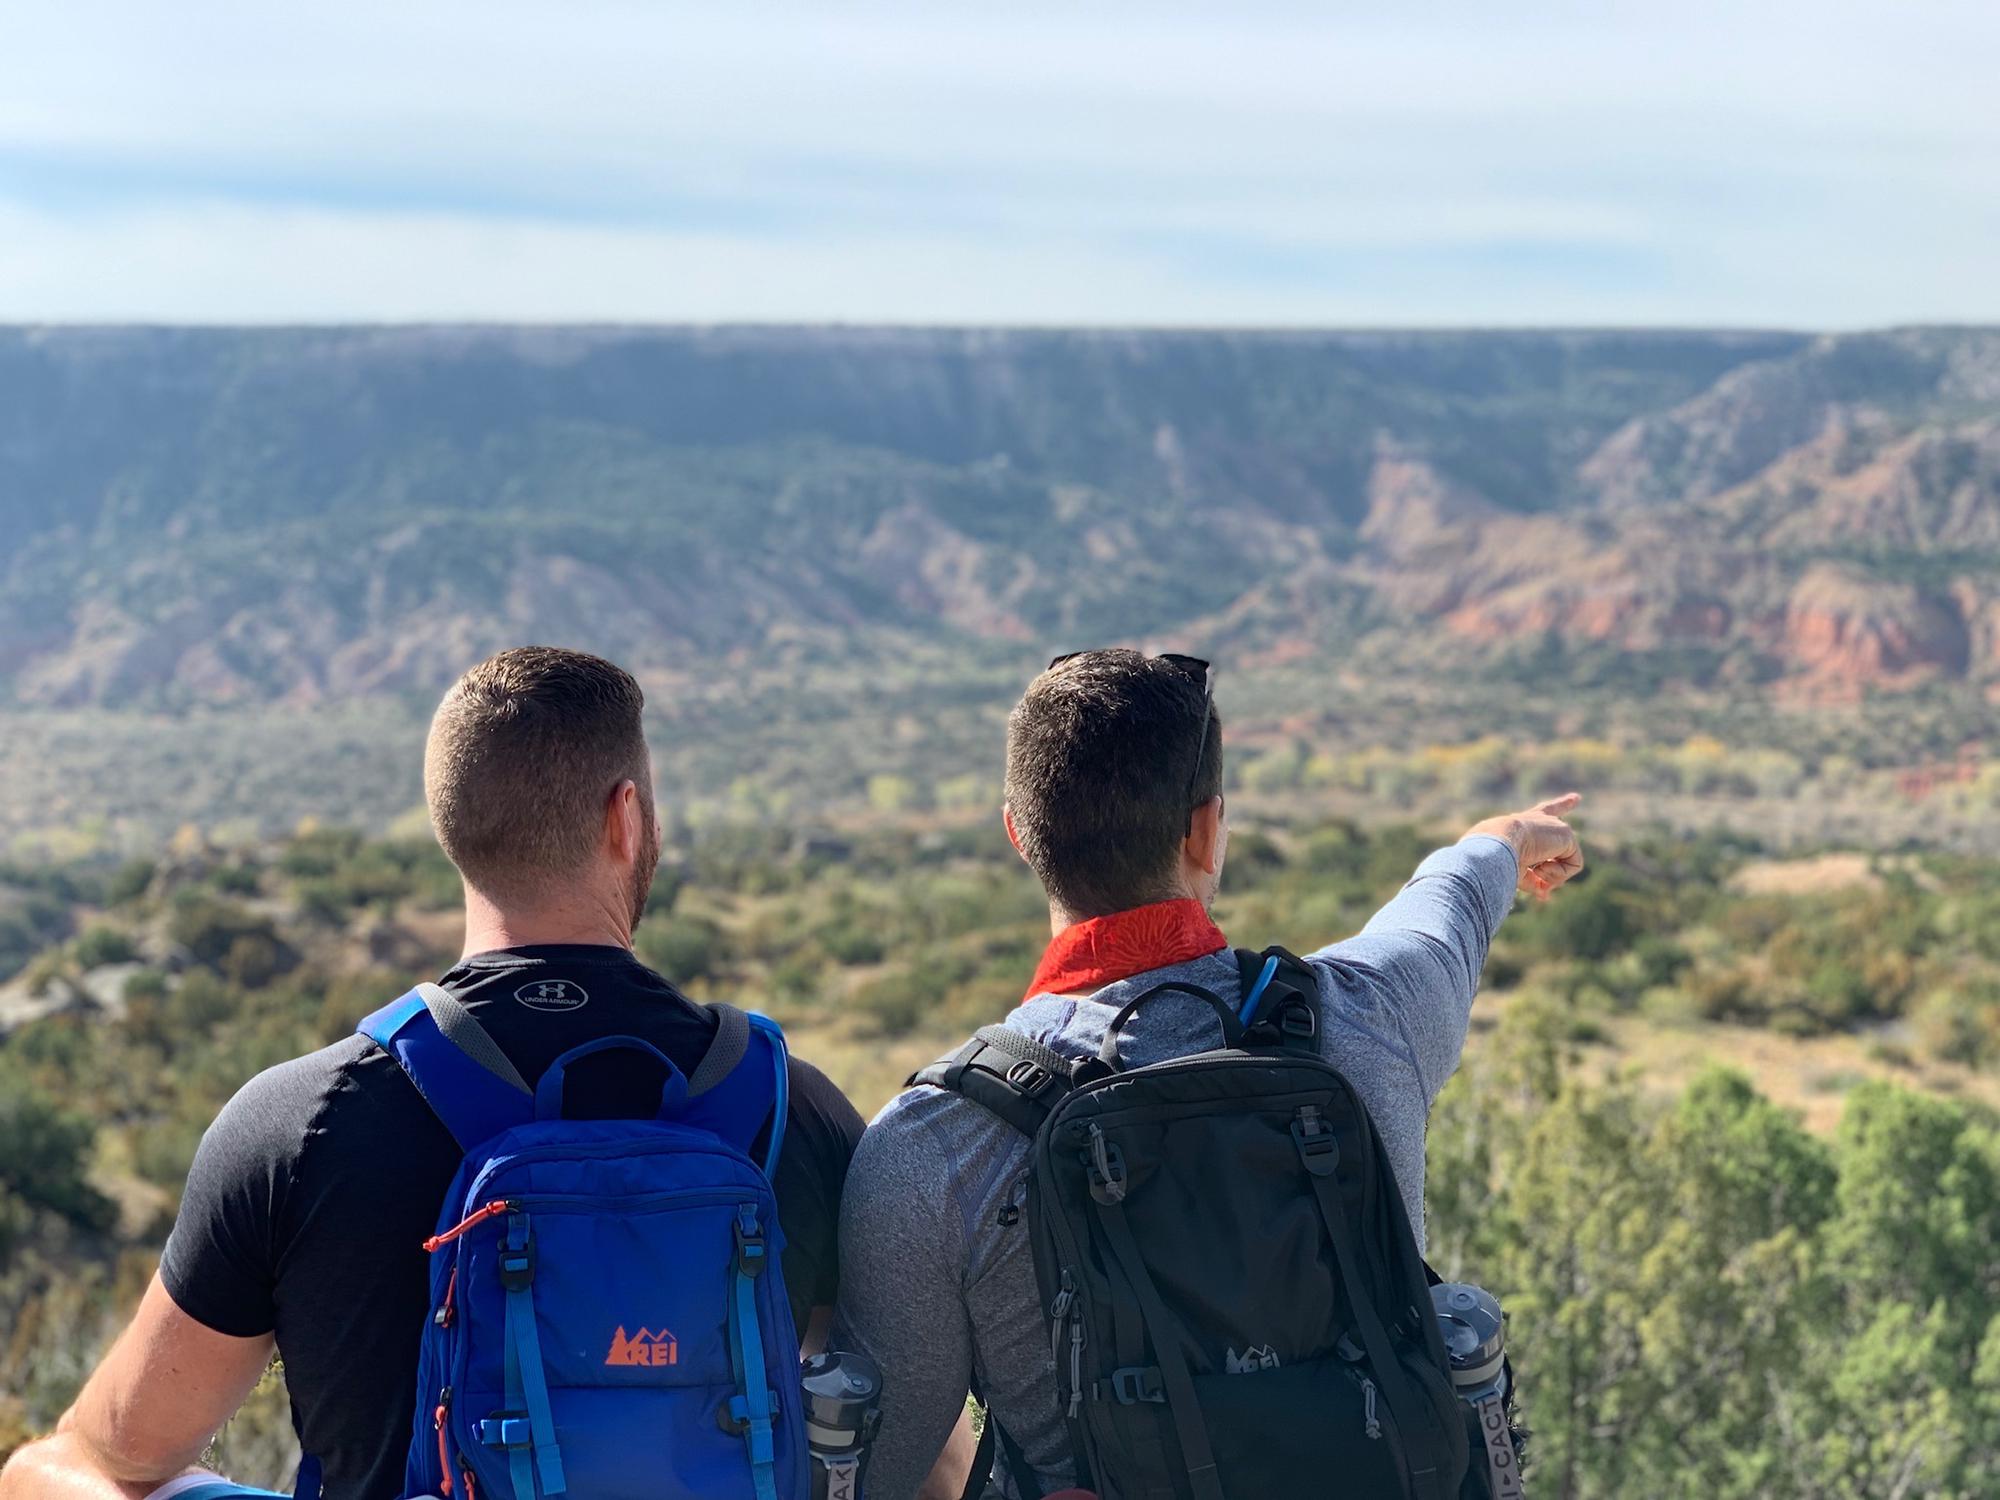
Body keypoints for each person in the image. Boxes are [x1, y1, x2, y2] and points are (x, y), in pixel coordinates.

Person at [0, 647, 866, 1500]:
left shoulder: (301, 1121)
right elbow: (922, 1457)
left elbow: (108, 1460)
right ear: (626, 818)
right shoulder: (790, 1106)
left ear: (450, 826)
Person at [833, 648, 1585, 1500]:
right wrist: (1512, 837)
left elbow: (876, 1473)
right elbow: (1446, 905)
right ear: (1206, 827)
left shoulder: (936, 1143)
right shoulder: (1371, 1015)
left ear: (1019, 832)